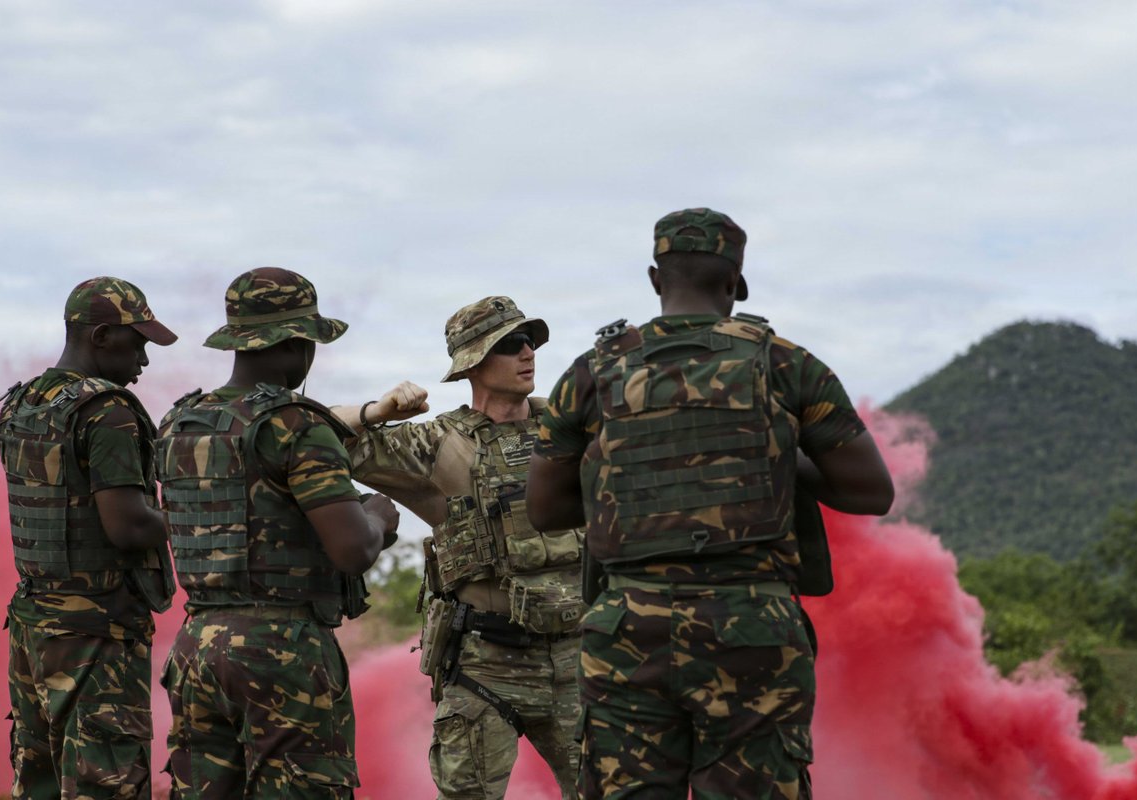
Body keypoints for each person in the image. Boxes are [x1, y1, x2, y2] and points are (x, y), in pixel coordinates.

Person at [527, 208, 896, 800]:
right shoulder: (787, 365)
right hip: (751, 631)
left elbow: (545, 510)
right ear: (733, 283)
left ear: (655, 279)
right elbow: (871, 491)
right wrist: (775, 459)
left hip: (628, 632)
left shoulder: (590, 375)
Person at [157, 267, 399, 798]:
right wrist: (379, 517)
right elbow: (353, 549)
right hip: (282, 654)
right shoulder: (298, 425)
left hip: (197, 646)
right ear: (295, 343)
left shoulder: (179, 423)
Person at [335, 296, 586, 800]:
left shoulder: (568, 429)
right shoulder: (436, 442)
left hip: (578, 661)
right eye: (511, 343)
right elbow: (308, 435)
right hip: (485, 667)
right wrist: (376, 411)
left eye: (531, 341)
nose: (528, 352)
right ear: (473, 361)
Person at [0, 276, 178, 799]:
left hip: (33, 624)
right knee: (106, 784)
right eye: (137, 343)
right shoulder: (107, 411)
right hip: (96, 633)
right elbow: (129, 526)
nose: (144, 359)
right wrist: (203, 515)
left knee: (40, 784)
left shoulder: (22, 402)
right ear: (100, 336)